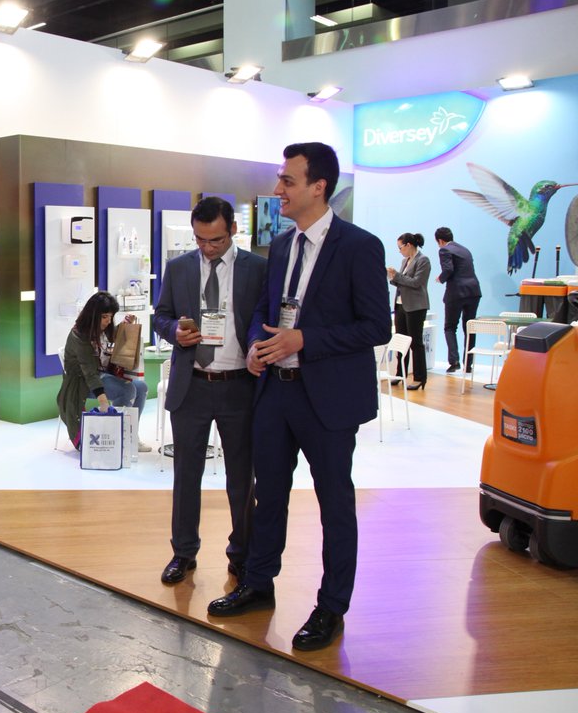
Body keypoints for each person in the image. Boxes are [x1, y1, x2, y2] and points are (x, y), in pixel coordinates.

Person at [207, 142, 390, 654]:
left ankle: (331, 606)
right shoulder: (282, 246)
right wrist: (255, 347)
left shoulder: (359, 246)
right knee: (268, 495)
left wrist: (305, 339)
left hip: (327, 400)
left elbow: (377, 326)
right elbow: (265, 311)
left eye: (288, 180)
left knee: (335, 503)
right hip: (276, 393)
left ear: (319, 187)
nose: (277, 189)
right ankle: (258, 583)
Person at [154, 196, 266, 585]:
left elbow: (262, 318)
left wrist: (257, 346)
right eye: (200, 240)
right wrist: (174, 331)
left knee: (241, 478)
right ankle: (183, 552)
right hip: (193, 387)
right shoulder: (179, 267)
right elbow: (161, 316)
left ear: (233, 229)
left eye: (215, 240)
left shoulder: (258, 269)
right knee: (186, 476)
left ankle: (242, 553)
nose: (207, 248)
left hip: (240, 386)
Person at [56, 291, 151, 454]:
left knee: (141, 387)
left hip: (100, 375)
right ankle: (117, 436)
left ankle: (130, 435)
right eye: (104, 317)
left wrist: (124, 325)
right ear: (93, 315)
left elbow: (111, 338)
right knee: (127, 389)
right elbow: (89, 373)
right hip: (81, 383)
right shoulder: (79, 335)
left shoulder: (101, 328)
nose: (108, 321)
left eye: (111, 317)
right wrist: (103, 401)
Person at [387, 233, 431, 389]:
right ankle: (400, 373)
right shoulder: (405, 261)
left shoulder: (423, 260)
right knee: (401, 341)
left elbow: (417, 282)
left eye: (400, 247)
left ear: (408, 245)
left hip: (415, 306)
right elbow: (402, 282)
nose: (399, 251)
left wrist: (397, 276)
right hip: (401, 305)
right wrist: (392, 277)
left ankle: (419, 377)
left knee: (415, 343)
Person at [435, 227, 482, 374]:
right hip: (473, 291)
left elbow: (448, 270)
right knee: (469, 328)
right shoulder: (465, 250)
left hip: (456, 293)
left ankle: (454, 361)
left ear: (440, 241)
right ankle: (468, 364)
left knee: (450, 327)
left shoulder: (445, 250)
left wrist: (440, 278)